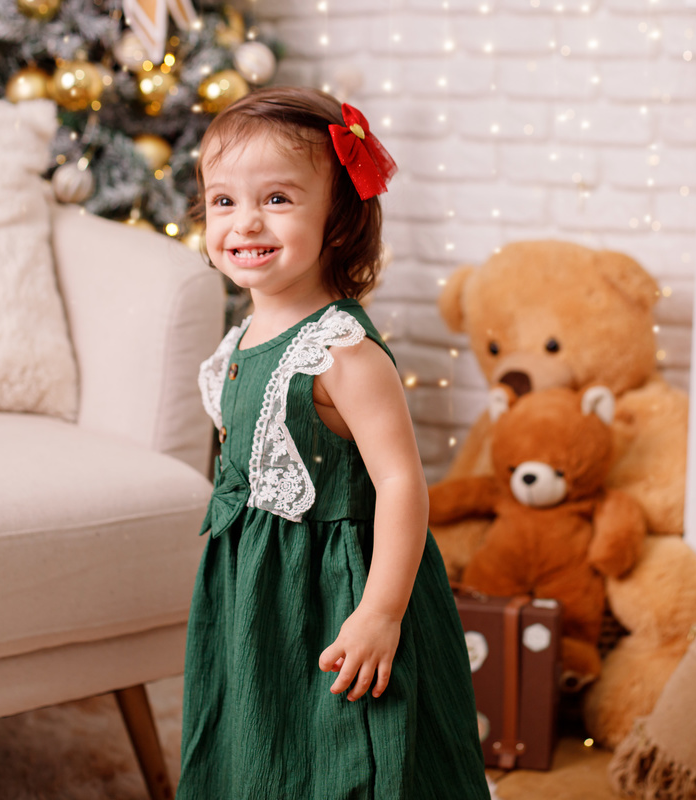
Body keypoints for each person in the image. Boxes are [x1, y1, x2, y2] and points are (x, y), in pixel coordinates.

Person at [176, 86, 491, 799]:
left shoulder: (341, 352)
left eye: (277, 199)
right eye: (223, 200)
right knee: (258, 741)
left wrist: (380, 613)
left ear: (338, 220)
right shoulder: (239, 341)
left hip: (337, 591)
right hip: (255, 591)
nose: (245, 221)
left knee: (348, 755)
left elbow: (402, 484)